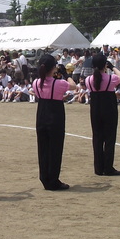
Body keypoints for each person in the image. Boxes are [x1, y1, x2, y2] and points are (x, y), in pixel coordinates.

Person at [32, 54, 76, 191]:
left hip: (41, 113)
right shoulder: (59, 82)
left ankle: (44, 177)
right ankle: (53, 179)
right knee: (55, 148)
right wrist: (65, 74)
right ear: (53, 67)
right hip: (55, 113)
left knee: (43, 148)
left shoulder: (36, 82)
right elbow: (74, 86)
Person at [85, 54, 120, 176]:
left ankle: (98, 167)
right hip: (109, 106)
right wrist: (112, 67)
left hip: (95, 107)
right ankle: (108, 167)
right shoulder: (110, 78)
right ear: (105, 65)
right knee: (110, 137)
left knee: (97, 137)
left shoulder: (88, 80)